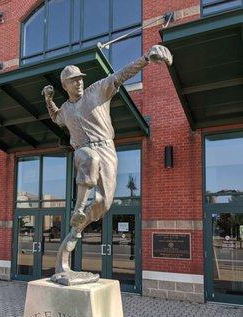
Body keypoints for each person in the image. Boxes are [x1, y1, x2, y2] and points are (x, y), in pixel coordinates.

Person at [42, 44, 172, 284]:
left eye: (80, 79)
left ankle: (76, 229)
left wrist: (146, 58)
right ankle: (79, 208)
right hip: (83, 151)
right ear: (65, 85)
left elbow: (121, 74)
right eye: (73, 81)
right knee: (89, 159)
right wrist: (48, 99)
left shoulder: (97, 91)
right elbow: (55, 116)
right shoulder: (66, 110)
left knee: (104, 202)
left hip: (107, 148)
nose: (79, 83)